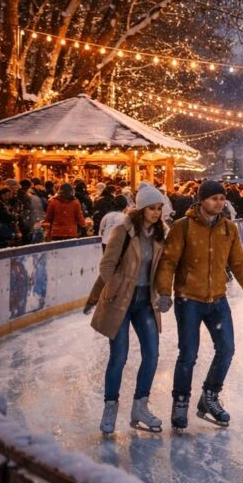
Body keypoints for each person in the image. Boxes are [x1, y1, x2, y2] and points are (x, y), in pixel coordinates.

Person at [154, 181, 243, 432]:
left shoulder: (228, 229)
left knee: (226, 349)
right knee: (188, 355)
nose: (219, 203)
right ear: (201, 200)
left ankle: (210, 396)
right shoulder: (183, 227)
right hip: (188, 299)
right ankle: (180, 401)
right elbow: (168, 262)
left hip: (217, 300)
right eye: (214, 198)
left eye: (222, 198)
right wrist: (164, 292)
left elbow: (238, 264)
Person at [84, 183, 168, 435]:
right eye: (152, 208)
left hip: (145, 303)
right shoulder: (123, 231)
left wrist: (165, 293)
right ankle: (110, 408)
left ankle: (140, 407)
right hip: (121, 302)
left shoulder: (160, 234)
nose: (156, 213)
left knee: (152, 355)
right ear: (141, 209)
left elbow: (163, 269)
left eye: (159, 208)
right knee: (119, 357)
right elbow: (106, 267)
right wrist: (112, 291)